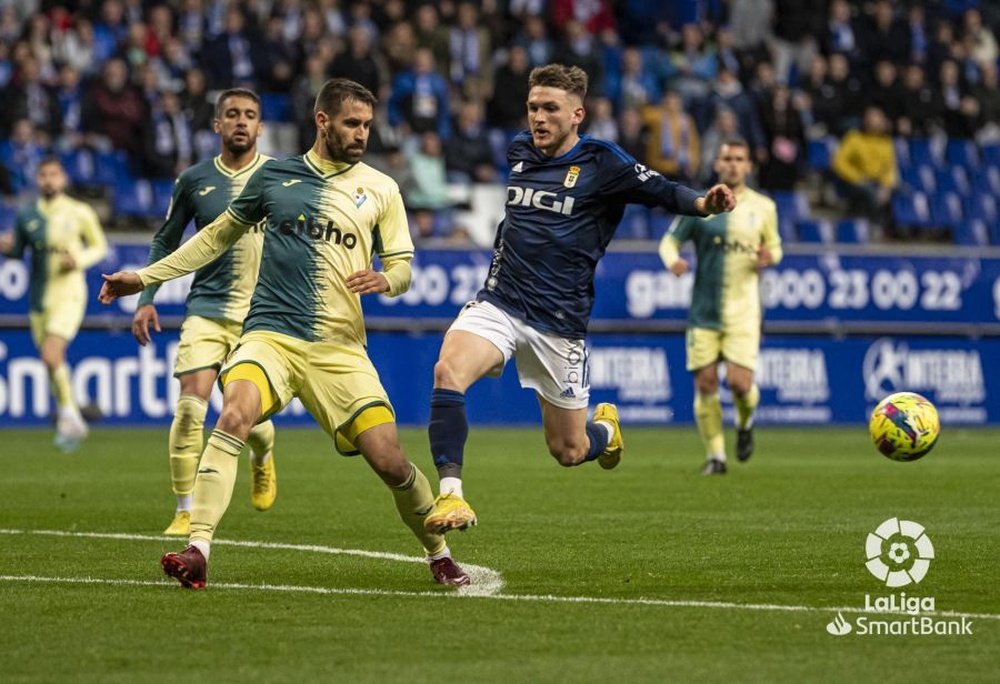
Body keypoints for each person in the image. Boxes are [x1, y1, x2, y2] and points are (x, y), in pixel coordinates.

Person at [98, 78, 469, 588]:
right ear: (322, 121)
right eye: (351, 123)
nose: (362, 134)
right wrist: (144, 278)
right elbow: (214, 238)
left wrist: (386, 278)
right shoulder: (276, 177)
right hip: (270, 335)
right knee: (232, 414)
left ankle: (439, 551)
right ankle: (197, 547)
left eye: (367, 124)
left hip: (339, 349)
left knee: (390, 461)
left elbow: (403, 265)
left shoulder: (382, 188)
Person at [422, 64, 736, 534]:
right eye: (533, 108)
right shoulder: (519, 151)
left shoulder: (603, 162)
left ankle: (605, 431)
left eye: (550, 109)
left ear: (577, 114)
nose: (539, 118)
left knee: (568, 451)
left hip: (559, 324)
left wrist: (704, 205)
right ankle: (451, 497)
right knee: (447, 370)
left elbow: (663, 191)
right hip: (501, 303)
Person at [131, 87, 278, 537]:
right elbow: (165, 240)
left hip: (261, 316)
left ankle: (263, 454)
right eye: (231, 114)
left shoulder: (280, 176)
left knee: (246, 416)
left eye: (249, 115)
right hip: (207, 309)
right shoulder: (194, 179)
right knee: (191, 408)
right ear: (217, 125)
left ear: (259, 126)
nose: (240, 121)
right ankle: (184, 509)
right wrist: (145, 296)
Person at [658, 139, 782, 476]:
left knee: (741, 385)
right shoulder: (704, 205)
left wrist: (770, 256)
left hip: (744, 312)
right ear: (717, 164)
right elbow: (669, 241)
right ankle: (716, 456)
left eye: (739, 159)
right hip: (704, 312)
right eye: (727, 158)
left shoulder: (764, 208)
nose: (733, 164)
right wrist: (673, 261)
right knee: (707, 383)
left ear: (748, 166)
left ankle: (745, 423)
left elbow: (775, 246)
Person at [0, 158, 108, 451]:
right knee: (50, 361)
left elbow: (99, 245)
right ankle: (70, 415)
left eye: (54, 174)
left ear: (63, 179)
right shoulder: (27, 214)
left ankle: (70, 414)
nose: (48, 180)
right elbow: (17, 253)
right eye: (43, 175)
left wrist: (79, 260)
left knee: (50, 354)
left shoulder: (78, 211)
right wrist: (8, 249)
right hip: (38, 296)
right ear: (37, 179)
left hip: (69, 292)